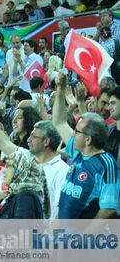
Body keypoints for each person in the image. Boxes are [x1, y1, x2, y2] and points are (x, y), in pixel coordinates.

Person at [52, 72, 119, 219]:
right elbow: (58, 122)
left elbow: (108, 210)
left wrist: (84, 236)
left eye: (77, 132)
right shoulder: (78, 153)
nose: (73, 135)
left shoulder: (106, 165)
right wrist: (60, 89)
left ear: (88, 140)